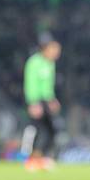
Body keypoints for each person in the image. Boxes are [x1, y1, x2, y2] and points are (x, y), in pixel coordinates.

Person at [23, 33, 62, 171]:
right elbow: (31, 83)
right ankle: (32, 160)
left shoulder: (50, 64)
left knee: (52, 129)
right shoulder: (34, 62)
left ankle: (44, 158)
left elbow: (48, 86)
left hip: (46, 100)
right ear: (46, 48)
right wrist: (33, 103)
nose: (57, 53)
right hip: (36, 100)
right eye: (55, 49)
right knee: (37, 129)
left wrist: (52, 100)